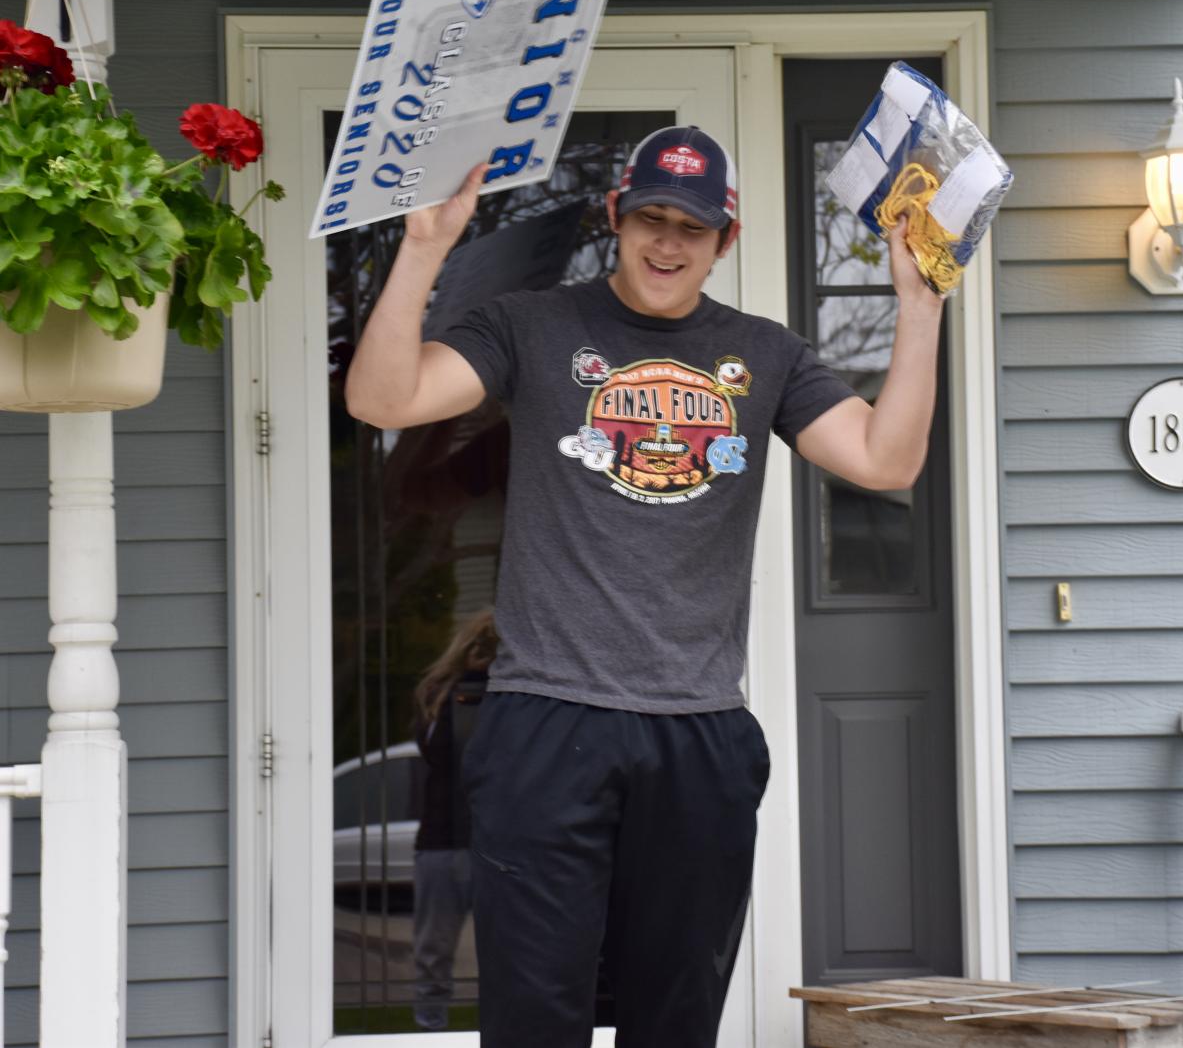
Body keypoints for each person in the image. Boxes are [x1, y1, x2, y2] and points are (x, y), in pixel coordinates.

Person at [345, 126, 945, 1047]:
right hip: (548, 719)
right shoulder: (533, 326)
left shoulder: (766, 355)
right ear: (615, 218)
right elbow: (383, 401)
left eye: (692, 229)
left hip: (698, 731)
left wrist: (918, 307)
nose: (667, 244)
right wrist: (424, 246)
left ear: (723, 243)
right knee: (534, 1014)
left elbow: (884, 459)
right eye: (650, 220)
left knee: (674, 1017)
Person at [407, 609, 498, 1031]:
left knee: (504, 956)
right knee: (433, 954)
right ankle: (430, 1031)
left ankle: (498, 1032)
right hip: (445, 840)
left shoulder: (518, 698)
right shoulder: (440, 695)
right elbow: (442, 756)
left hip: (492, 843)